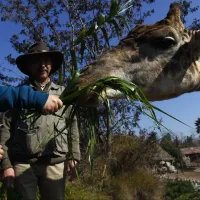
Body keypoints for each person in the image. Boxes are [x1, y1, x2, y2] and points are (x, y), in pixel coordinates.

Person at [0, 41, 80, 200]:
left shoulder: (64, 94)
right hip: (23, 164)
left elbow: (72, 124)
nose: (42, 65)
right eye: (37, 61)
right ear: (29, 66)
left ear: (51, 65)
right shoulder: (18, 95)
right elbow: (5, 130)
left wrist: (74, 155)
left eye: (46, 61)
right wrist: (6, 166)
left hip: (55, 163)